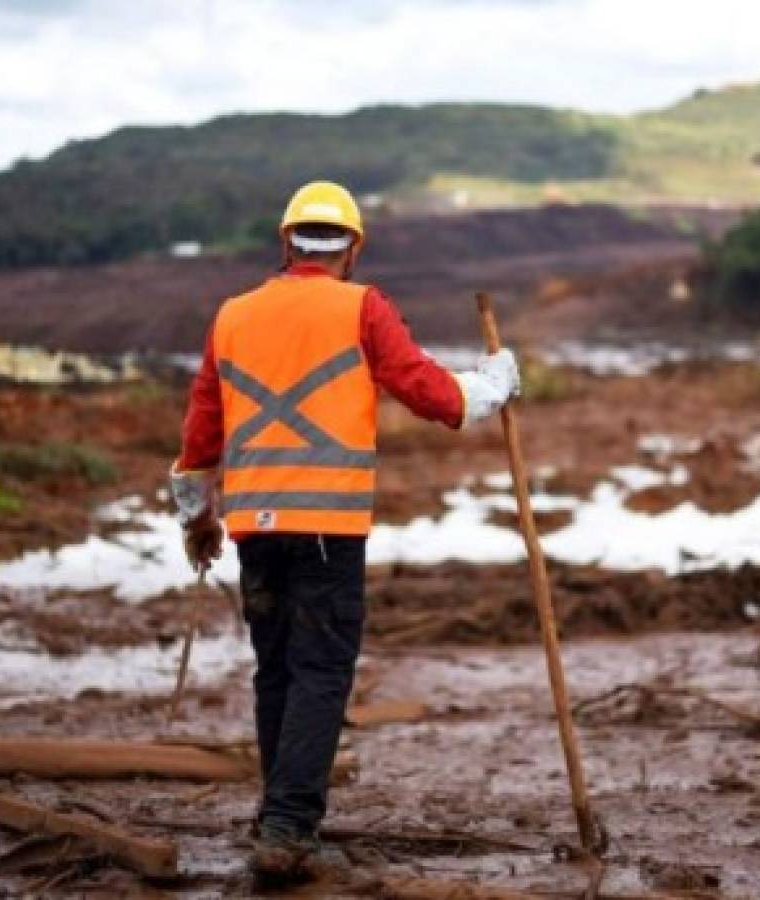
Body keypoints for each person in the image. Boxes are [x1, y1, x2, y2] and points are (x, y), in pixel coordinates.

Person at [169, 180, 519, 877]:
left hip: (255, 533)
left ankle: (277, 814)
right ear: (353, 247)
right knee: (321, 673)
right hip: (328, 530)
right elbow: (428, 391)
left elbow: (202, 429)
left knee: (278, 671)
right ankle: (290, 831)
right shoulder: (363, 307)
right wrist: (495, 384)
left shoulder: (233, 315)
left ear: (286, 241)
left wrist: (196, 517)